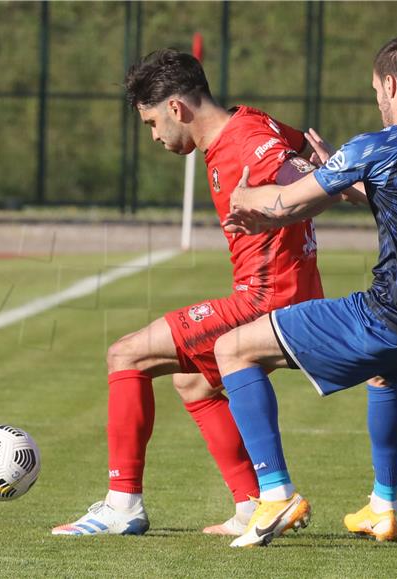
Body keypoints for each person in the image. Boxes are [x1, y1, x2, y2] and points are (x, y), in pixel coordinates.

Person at [213, 34, 397, 547]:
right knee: (387, 377)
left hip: (388, 318)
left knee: (233, 348)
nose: (377, 100)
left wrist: (246, 194)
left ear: (391, 83)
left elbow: (285, 206)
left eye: (377, 89)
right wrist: (338, 173)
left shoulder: (377, 145)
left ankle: (274, 495)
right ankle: (382, 508)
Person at [51, 49, 334, 537]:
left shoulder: (243, 141)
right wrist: (311, 165)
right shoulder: (252, 122)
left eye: (152, 123)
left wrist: (308, 183)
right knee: (194, 383)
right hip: (285, 294)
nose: (156, 136)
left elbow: (304, 179)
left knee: (126, 355)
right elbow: (297, 151)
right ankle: (251, 504)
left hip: (266, 301)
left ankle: (122, 505)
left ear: (177, 108)